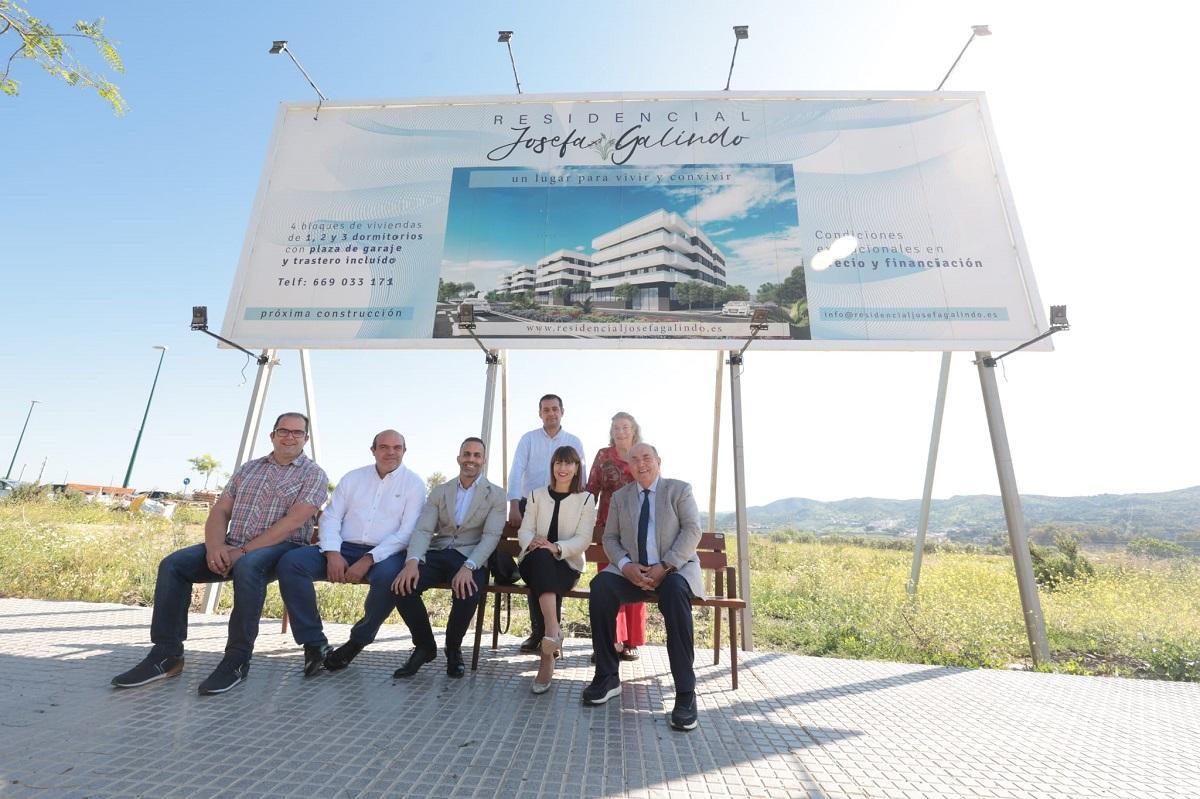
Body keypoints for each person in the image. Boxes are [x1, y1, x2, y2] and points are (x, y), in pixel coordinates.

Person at [111, 412, 328, 695]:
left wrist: (244, 551)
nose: (290, 437)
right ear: (272, 435)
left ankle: (237, 660)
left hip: (281, 549)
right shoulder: (248, 469)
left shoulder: (313, 474)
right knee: (173, 565)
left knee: (248, 567)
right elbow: (221, 510)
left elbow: (294, 522)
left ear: (306, 439)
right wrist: (215, 547)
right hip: (231, 544)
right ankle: (166, 655)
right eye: (283, 431)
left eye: (297, 433)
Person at [276, 429, 426, 676]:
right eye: (384, 447)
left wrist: (368, 559)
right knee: (291, 563)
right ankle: (314, 643)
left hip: (387, 552)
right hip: (344, 547)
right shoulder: (353, 478)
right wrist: (333, 552)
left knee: (389, 578)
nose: (390, 452)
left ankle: (358, 641)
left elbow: (407, 532)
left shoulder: (414, 484)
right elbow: (331, 516)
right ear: (373, 450)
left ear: (404, 451)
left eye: (397, 448)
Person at [582, 443, 703, 732]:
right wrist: (625, 566)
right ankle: (607, 676)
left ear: (658, 461)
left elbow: (692, 530)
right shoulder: (622, 497)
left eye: (646, 458)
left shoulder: (679, 490)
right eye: (634, 460)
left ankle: (686, 693)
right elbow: (610, 538)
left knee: (674, 594)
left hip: (673, 571)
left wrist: (666, 566)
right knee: (601, 586)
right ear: (629, 466)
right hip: (633, 573)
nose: (641, 463)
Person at [391, 437, 505, 679]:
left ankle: (453, 649)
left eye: (476, 455)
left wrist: (469, 566)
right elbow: (423, 530)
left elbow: (491, 536)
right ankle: (424, 646)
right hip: (439, 551)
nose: (470, 459)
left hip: (470, 555)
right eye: (467, 454)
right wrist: (412, 562)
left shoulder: (496, 494)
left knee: (468, 590)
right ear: (458, 458)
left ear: (483, 460)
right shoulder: (441, 491)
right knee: (402, 586)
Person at [507, 393, 587, 653]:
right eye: (545, 409)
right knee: (539, 555)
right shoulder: (528, 439)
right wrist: (514, 504)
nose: (550, 413)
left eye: (555, 409)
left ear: (562, 411)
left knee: (550, 560)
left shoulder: (573, 441)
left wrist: (580, 502)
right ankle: (542, 632)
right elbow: (517, 469)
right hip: (534, 507)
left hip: (566, 512)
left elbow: (582, 474)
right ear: (539, 413)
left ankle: (547, 633)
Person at [517, 446, 597, 693]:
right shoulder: (536, 495)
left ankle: (549, 647)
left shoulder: (586, 499)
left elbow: (583, 539)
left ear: (576, 469)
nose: (563, 469)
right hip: (533, 560)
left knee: (545, 559)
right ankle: (552, 633)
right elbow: (525, 530)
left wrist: (555, 547)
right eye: (558, 463)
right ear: (552, 467)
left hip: (566, 565)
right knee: (540, 558)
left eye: (568, 464)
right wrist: (534, 543)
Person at [585, 411, 646, 661]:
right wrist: (585, 519)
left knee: (636, 580)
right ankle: (610, 640)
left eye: (625, 427)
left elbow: (652, 484)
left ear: (634, 429)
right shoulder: (603, 455)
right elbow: (592, 488)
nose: (620, 432)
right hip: (608, 528)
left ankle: (631, 641)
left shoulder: (642, 454)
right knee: (608, 583)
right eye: (616, 428)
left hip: (637, 527)